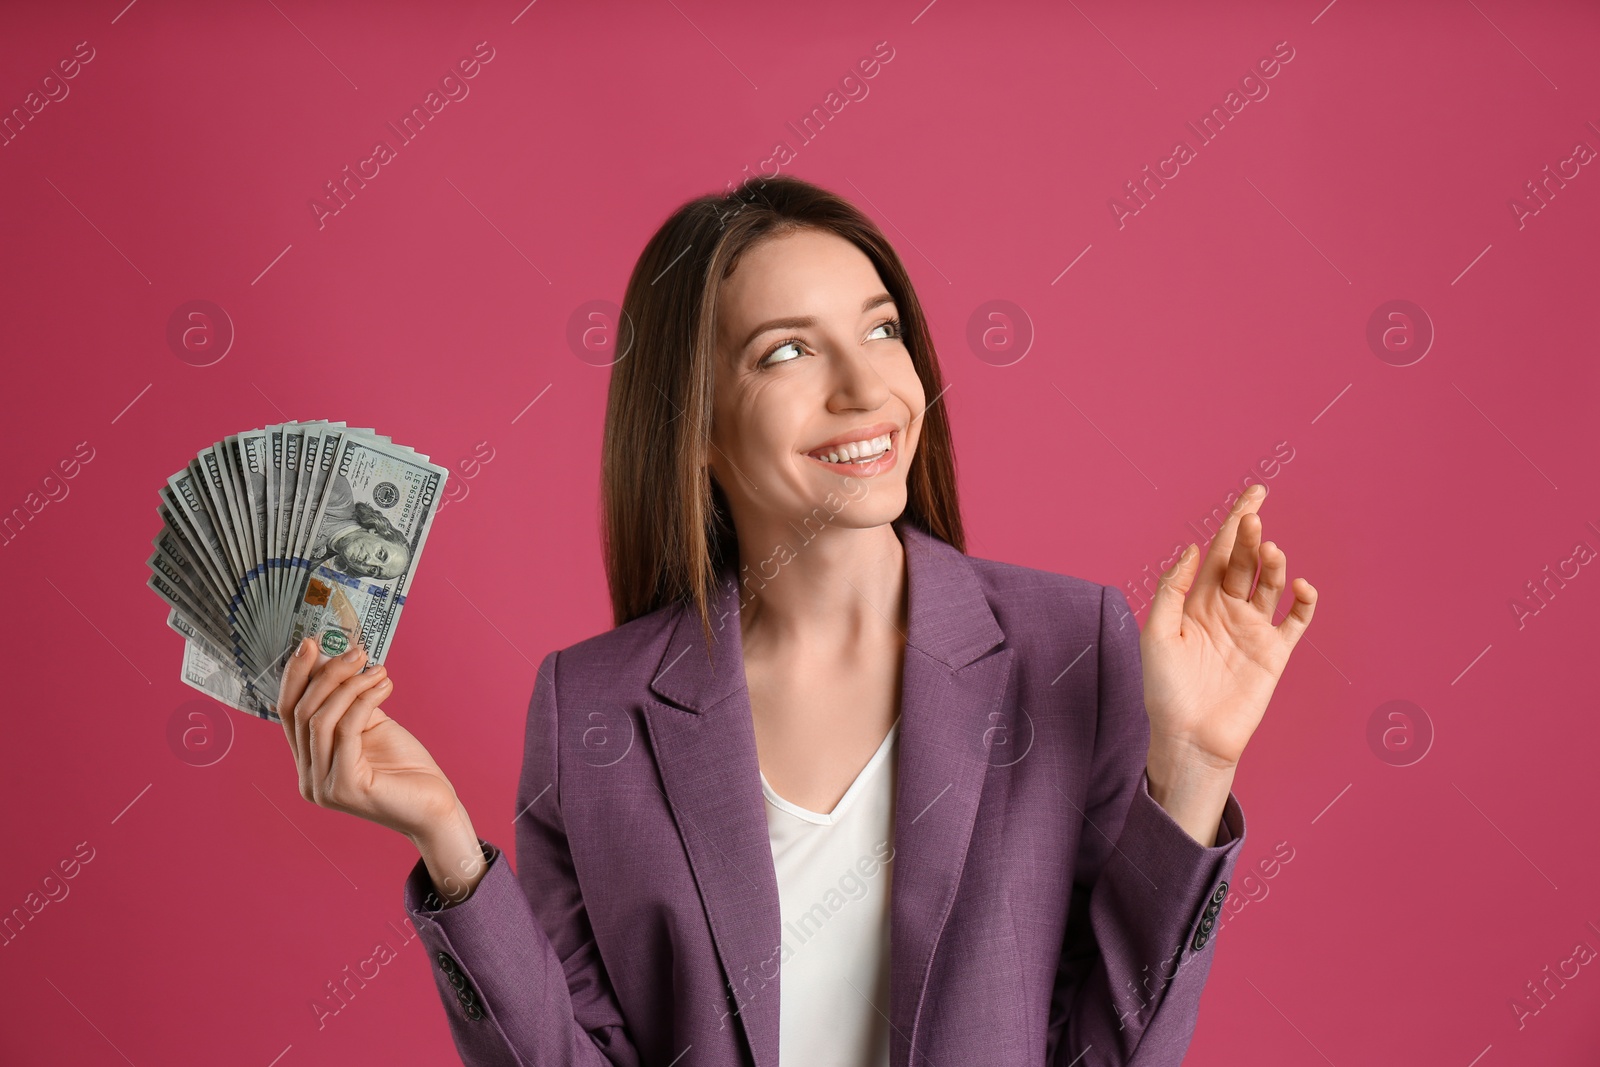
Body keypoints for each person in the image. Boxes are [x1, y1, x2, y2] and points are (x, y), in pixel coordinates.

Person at [276, 175, 1318, 1067]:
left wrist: (1193, 764)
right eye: (786, 353)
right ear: (694, 429)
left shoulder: (1069, 647)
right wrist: (446, 842)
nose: (868, 388)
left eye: (881, 329)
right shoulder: (589, 706)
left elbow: (1111, 1046)